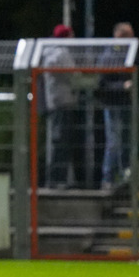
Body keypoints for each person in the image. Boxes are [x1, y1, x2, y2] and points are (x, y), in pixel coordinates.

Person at [42, 24, 81, 189]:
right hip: (63, 102)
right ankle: (57, 180)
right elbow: (74, 75)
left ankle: (57, 179)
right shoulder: (61, 53)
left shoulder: (48, 52)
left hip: (55, 102)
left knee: (58, 142)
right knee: (61, 143)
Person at [96, 22, 135, 189]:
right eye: (130, 35)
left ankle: (123, 179)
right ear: (121, 36)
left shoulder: (127, 54)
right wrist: (123, 86)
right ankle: (108, 178)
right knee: (114, 141)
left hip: (125, 104)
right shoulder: (109, 55)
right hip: (113, 105)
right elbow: (102, 83)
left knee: (125, 142)